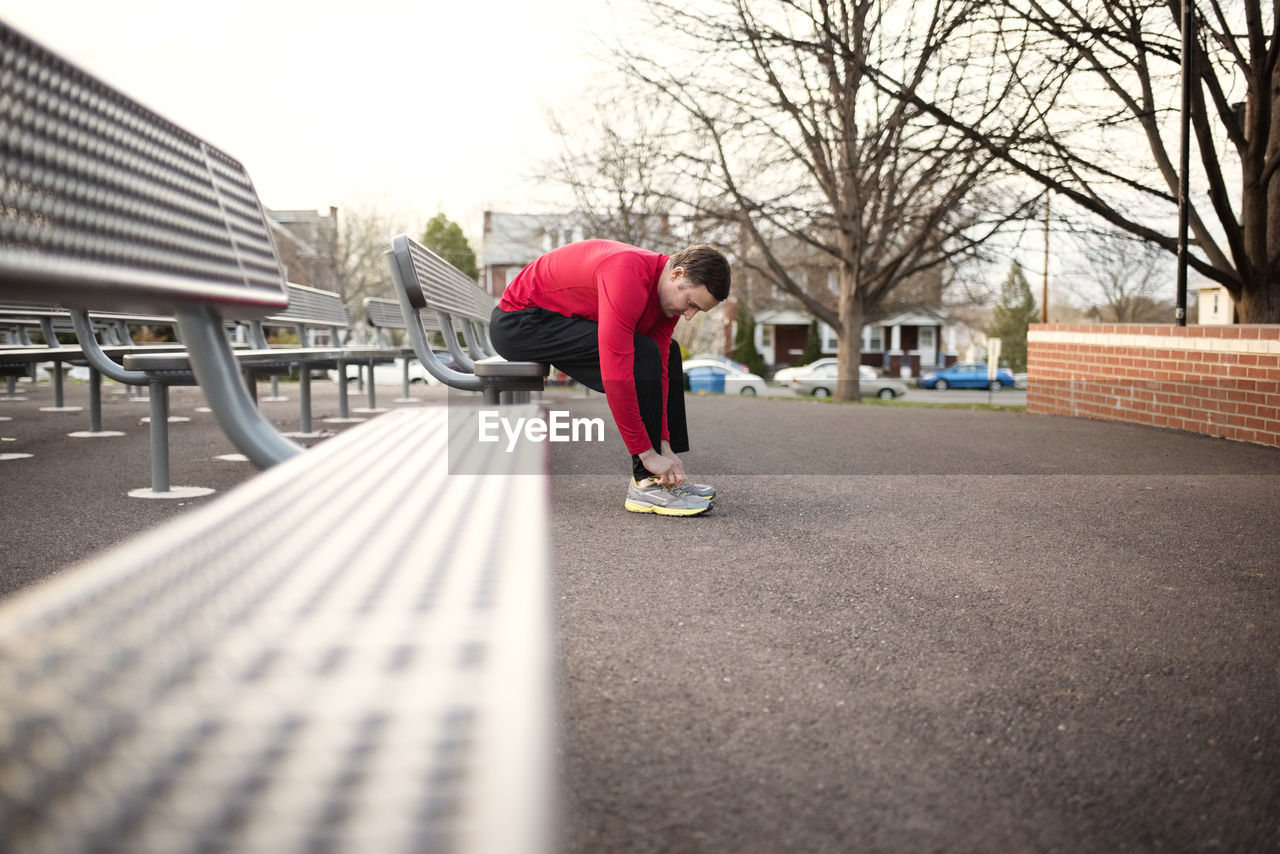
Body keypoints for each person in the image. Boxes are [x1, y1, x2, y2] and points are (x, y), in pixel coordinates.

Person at [490, 239, 731, 516]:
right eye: (690, 303)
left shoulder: (664, 295)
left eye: (697, 310)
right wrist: (645, 452)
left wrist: (663, 443)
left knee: (668, 353)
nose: (689, 315)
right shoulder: (627, 276)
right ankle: (646, 483)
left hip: (555, 320)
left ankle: (664, 478)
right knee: (641, 355)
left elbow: (661, 371)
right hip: (519, 323)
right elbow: (617, 375)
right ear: (677, 274)